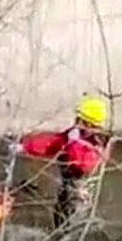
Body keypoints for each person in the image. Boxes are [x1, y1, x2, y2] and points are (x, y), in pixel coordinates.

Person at [16, 96, 111, 227]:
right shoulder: (75, 135)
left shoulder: (97, 144)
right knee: (59, 219)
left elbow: (82, 165)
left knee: (72, 226)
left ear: (90, 124)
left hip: (79, 195)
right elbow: (53, 143)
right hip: (66, 190)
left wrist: (73, 143)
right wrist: (25, 147)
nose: (76, 122)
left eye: (80, 120)